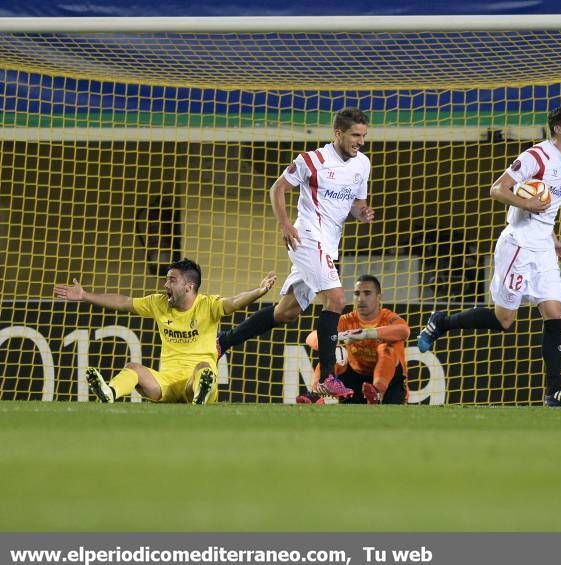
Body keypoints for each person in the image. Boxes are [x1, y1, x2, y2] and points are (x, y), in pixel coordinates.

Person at [417, 106, 561, 407]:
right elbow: (497, 189)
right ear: (558, 129)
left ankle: (555, 392)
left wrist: (555, 240)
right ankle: (441, 322)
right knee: (504, 320)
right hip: (518, 245)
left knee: (554, 314)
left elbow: (549, 211)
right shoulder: (537, 156)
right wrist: (527, 203)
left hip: (544, 249)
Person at [216, 108, 375, 399]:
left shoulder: (362, 164)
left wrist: (362, 213)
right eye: (355, 135)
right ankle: (327, 377)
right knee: (337, 299)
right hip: (306, 237)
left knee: (285, 312)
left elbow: (356, 204)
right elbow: (277, 189)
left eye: (363, 135)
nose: (360, 142)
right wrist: (285, 224)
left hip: (328, 244)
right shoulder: (311, 160)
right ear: (337, 133)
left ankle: (223, 341)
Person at [54, 258, 276, 404]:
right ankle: (109, 392)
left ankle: (200, 395)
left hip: (195, 381)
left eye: (172, 280)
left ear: (189, 287)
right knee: (133, 368)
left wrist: (259, 291)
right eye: (166, 279)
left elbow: (235, 301)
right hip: (165, 384)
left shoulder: (208, 305)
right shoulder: (159, 303)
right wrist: (86, 295)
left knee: (203, 369)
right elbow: (124, 302)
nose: (165, 284)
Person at [298, 274, 410, 404]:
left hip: (390, 383)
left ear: (379, 297)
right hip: (355, 379)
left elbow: (404, 331)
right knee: (336, 352)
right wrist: (335, 338)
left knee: (386, 348)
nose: (361, 299)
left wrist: (366, 333)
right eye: (357, 294)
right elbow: (310, 338)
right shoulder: (347, 320)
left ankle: (377, 394)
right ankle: (316, 394)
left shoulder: (388, 317)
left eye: (367, 293)